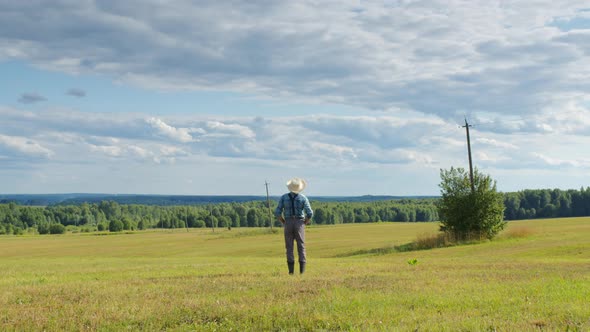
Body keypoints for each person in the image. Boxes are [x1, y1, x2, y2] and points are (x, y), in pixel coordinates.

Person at [275, 177, 313, 275]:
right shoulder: (303, 198)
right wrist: (305, 222)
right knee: (301, 246)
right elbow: (310, 213)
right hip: (299, 222)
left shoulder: (284, 197)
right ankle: (302, 272)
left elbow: (277, 212)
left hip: (288, 222)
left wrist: (283, 222)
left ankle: (291, 272)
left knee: (289, 247)